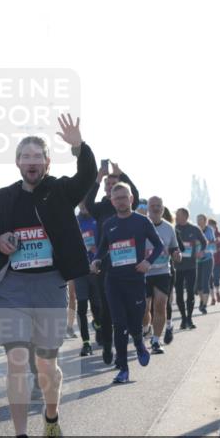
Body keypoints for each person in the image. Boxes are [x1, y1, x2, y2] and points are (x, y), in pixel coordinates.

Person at [0, 114, 96, 438]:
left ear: (47, 162)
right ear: (17, 162)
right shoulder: (1, 198)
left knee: (45, 365)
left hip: (50, 285)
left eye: (38, 157)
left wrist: (79, 146)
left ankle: (51, 416)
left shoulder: (61, 191)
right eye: (26, 157)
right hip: (14, 287)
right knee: (17, 362)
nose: (32, 162)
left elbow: (87, 176)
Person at [90, 183, 163, 384]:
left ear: (131, 199)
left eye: (124, 197)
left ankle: (139, 342)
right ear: (112, 202)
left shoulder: (142, 221)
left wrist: (148, 262)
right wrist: (96, 260)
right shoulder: (108, 224)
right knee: (119, 323)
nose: (121, 201)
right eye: (117, 198)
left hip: (136, 280)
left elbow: (159, 245)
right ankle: (123, 368)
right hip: (113, 280)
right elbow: (102, 248)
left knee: (134, 321)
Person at [85, 160, 140, 365]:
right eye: (107, 184)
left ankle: (126, 344)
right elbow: (88, 201)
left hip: (129, 264)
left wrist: (122, 174)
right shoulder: (100, 208)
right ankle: (108, 346)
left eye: (113, 183)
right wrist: (98, 178)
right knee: (107, 309)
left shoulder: (127, 203)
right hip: (106, 266)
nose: (110, 186)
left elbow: (136, 194)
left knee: (127, 308)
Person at [145, 197, 180, 354]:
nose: (156, 208)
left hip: (162, 271)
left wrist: (176, 254)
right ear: (148, 208)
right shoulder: (141, 225)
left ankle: (156, 341)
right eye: (153, 205)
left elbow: (174, 248)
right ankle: (146, 328)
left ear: (163, 208)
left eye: (158, 206)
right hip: (143, 272)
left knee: (160, 305)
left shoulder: (169, 227)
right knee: (144, 309)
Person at [73, 201, 101, 357]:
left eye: (86, 201)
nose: (83, 205)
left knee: (97, 306)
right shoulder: (74, 221)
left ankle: (98, 325)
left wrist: (98, 249)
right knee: (82, 308)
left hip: (96, 268)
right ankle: (86, 343)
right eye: (81, 202)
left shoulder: (97, 219)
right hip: (80, 270)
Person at [173, 208, 206, 330]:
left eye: (178, 215)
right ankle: (183, 319)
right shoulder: (173, 228)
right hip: (177, 266)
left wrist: (201, 252)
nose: (176, 217)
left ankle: (189, 318)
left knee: (191, 293)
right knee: (179, 294)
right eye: (176, 215)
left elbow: (204, 242)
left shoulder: (194, 229)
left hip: (191, 266)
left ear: (185, 217)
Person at [195, 214, 216, 315]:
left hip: (208, 258)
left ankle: (204, 305)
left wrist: (204, 249)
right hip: (197, 260)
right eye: (198, 219)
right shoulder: (194, 229)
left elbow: (211, 242)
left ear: (205, 220)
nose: (199, 221)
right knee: (198, 285)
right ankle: (202, 300)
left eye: (201, 219)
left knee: (205, 282)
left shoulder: (209, 230)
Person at [209, 218, 220, 304]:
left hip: (218, 259)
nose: (210, 226)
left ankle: (217, 292)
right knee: (209, 279)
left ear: (215, 226)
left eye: (211, 225)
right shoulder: (204, 234)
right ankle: (212, 297)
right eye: (208, 225)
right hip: (207, 260)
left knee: (216, 277)